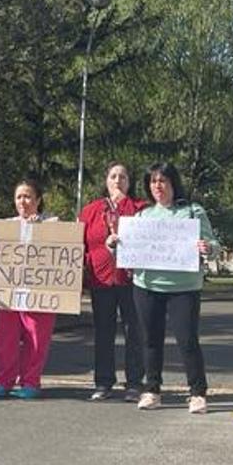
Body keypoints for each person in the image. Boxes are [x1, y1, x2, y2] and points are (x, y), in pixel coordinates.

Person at [128, 162, 218, 413]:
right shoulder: (142, 216)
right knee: (150, 340)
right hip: (146, 285)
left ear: (173, 183)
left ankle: (197, 392)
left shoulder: (192, 211)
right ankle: (152, 390)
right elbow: (127, 249)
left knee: (187, 340)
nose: (158, 186)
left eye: (163, 181)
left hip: (184, 287)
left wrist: (207, 248)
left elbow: (213, 244)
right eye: (153, 181)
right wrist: (115, 244)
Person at [79, 162, 146, 401]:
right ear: (105, 181)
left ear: (129, 182)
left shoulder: (139, 208)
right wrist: (92, 260)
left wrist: (122, 204)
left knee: (134, 331)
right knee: (103, 332)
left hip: (131, 280)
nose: (118, 181)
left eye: (123, 177)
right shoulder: (90, 211)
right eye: (113, 176)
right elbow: (80, 245)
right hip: (101, 279)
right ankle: (103, 382)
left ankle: (135, 383)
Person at [0, 179, 59, 399]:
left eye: (28, 196)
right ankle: (4, 380)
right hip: (9, 290)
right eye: (19, 197)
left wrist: (40, 229)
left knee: (36, 338)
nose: (23, 201)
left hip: (39, 291)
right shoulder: (7, 225)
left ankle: (30, 382)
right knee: (5, 338)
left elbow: (61, 244)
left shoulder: (51, 222)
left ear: (38, 200)